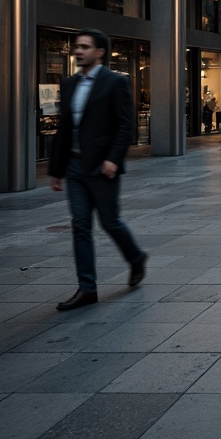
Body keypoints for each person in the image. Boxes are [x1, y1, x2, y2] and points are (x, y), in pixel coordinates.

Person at [49, 29, 147, 311]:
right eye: (76, 47)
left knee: (110, 221)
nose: (78, 51)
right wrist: (57, 169)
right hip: (75, 166)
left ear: (100, 51)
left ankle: (136, 258)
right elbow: (65, 128)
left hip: (103, 167)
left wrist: (114, 159)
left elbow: (124, 124)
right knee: (80, 226)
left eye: (84, 47)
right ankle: (87, 288)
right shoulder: (69, 84)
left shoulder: (115, 82)